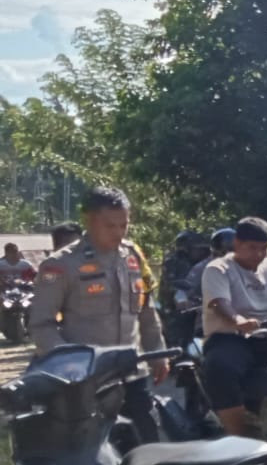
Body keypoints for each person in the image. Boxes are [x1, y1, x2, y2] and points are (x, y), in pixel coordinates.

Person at [32, 187, 166, 441]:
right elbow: (42, 326)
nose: (118, 232)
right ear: (90, 221)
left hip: (132, 372)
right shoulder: (61, 264)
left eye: (123, 225)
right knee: (94, 452)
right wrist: (69, 366)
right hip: (86, 381)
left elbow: (146, 309)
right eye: (110, 226)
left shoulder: (133, 256)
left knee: (148, 444)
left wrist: (158, 351)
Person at [199, 217, 267, 436]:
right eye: (252, 248)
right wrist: (238, 320)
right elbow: (220, 302)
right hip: (232, 337)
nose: (258, 254)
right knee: (220, 367)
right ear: (237, 244)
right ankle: (238, 434)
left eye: (264, 248)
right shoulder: (218, 268)